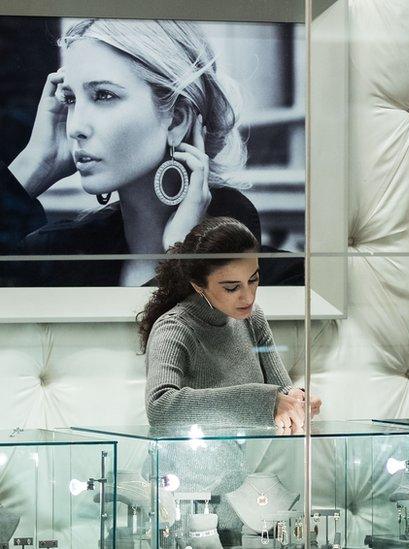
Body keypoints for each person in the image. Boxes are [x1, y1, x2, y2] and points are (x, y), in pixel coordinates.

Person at [0, 18, 291, 287]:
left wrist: (183, 259)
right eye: (71, 99)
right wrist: (33, 165)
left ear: (176, 119)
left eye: (104, 95)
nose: (75, 126)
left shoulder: (282, 279)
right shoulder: (54, 259)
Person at [139, 216, 321, 429]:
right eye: (232, 288)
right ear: (198, 285)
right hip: (183, 461)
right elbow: (160, 408)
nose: (248, 297)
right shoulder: (174, 329)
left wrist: (297, 399)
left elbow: (280, 391)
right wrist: (264, 401)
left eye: (253, 279)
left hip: (248, 460)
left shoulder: (253, 319)